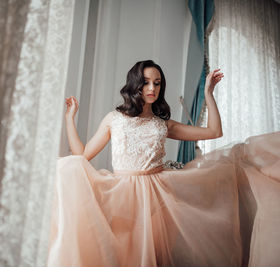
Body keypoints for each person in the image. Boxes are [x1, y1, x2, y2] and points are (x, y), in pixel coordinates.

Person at [47, 60, 280, 267]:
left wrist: (209, 93)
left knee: (151, 256)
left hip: (157, 197)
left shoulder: (163, 124)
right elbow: (82, 155)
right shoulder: (114, 119)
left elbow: (214, 131)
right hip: (121, 196)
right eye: (146, 82)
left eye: (157, 83)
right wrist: (70, 119)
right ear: (134, 84)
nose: (152, 88)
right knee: (120, 254)